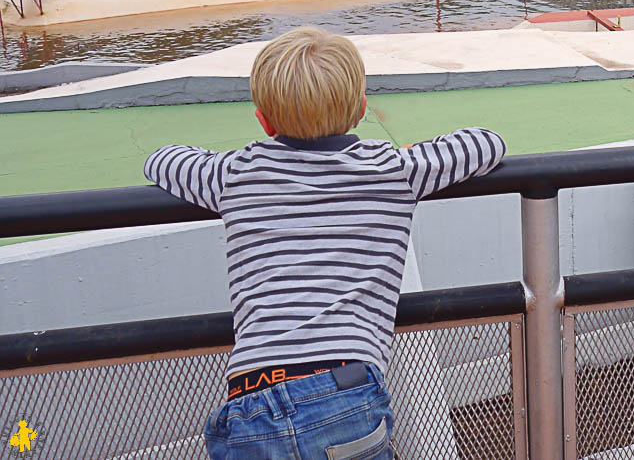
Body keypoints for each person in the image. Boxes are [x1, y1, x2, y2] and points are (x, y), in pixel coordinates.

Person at [144, 26, 506, 459]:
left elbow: (161, 160)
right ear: (361, 110)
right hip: (344, 387)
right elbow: (485, 143)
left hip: (250, 397)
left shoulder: (235, 173)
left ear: (263, 120)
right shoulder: (392, 168)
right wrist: (412, 150)